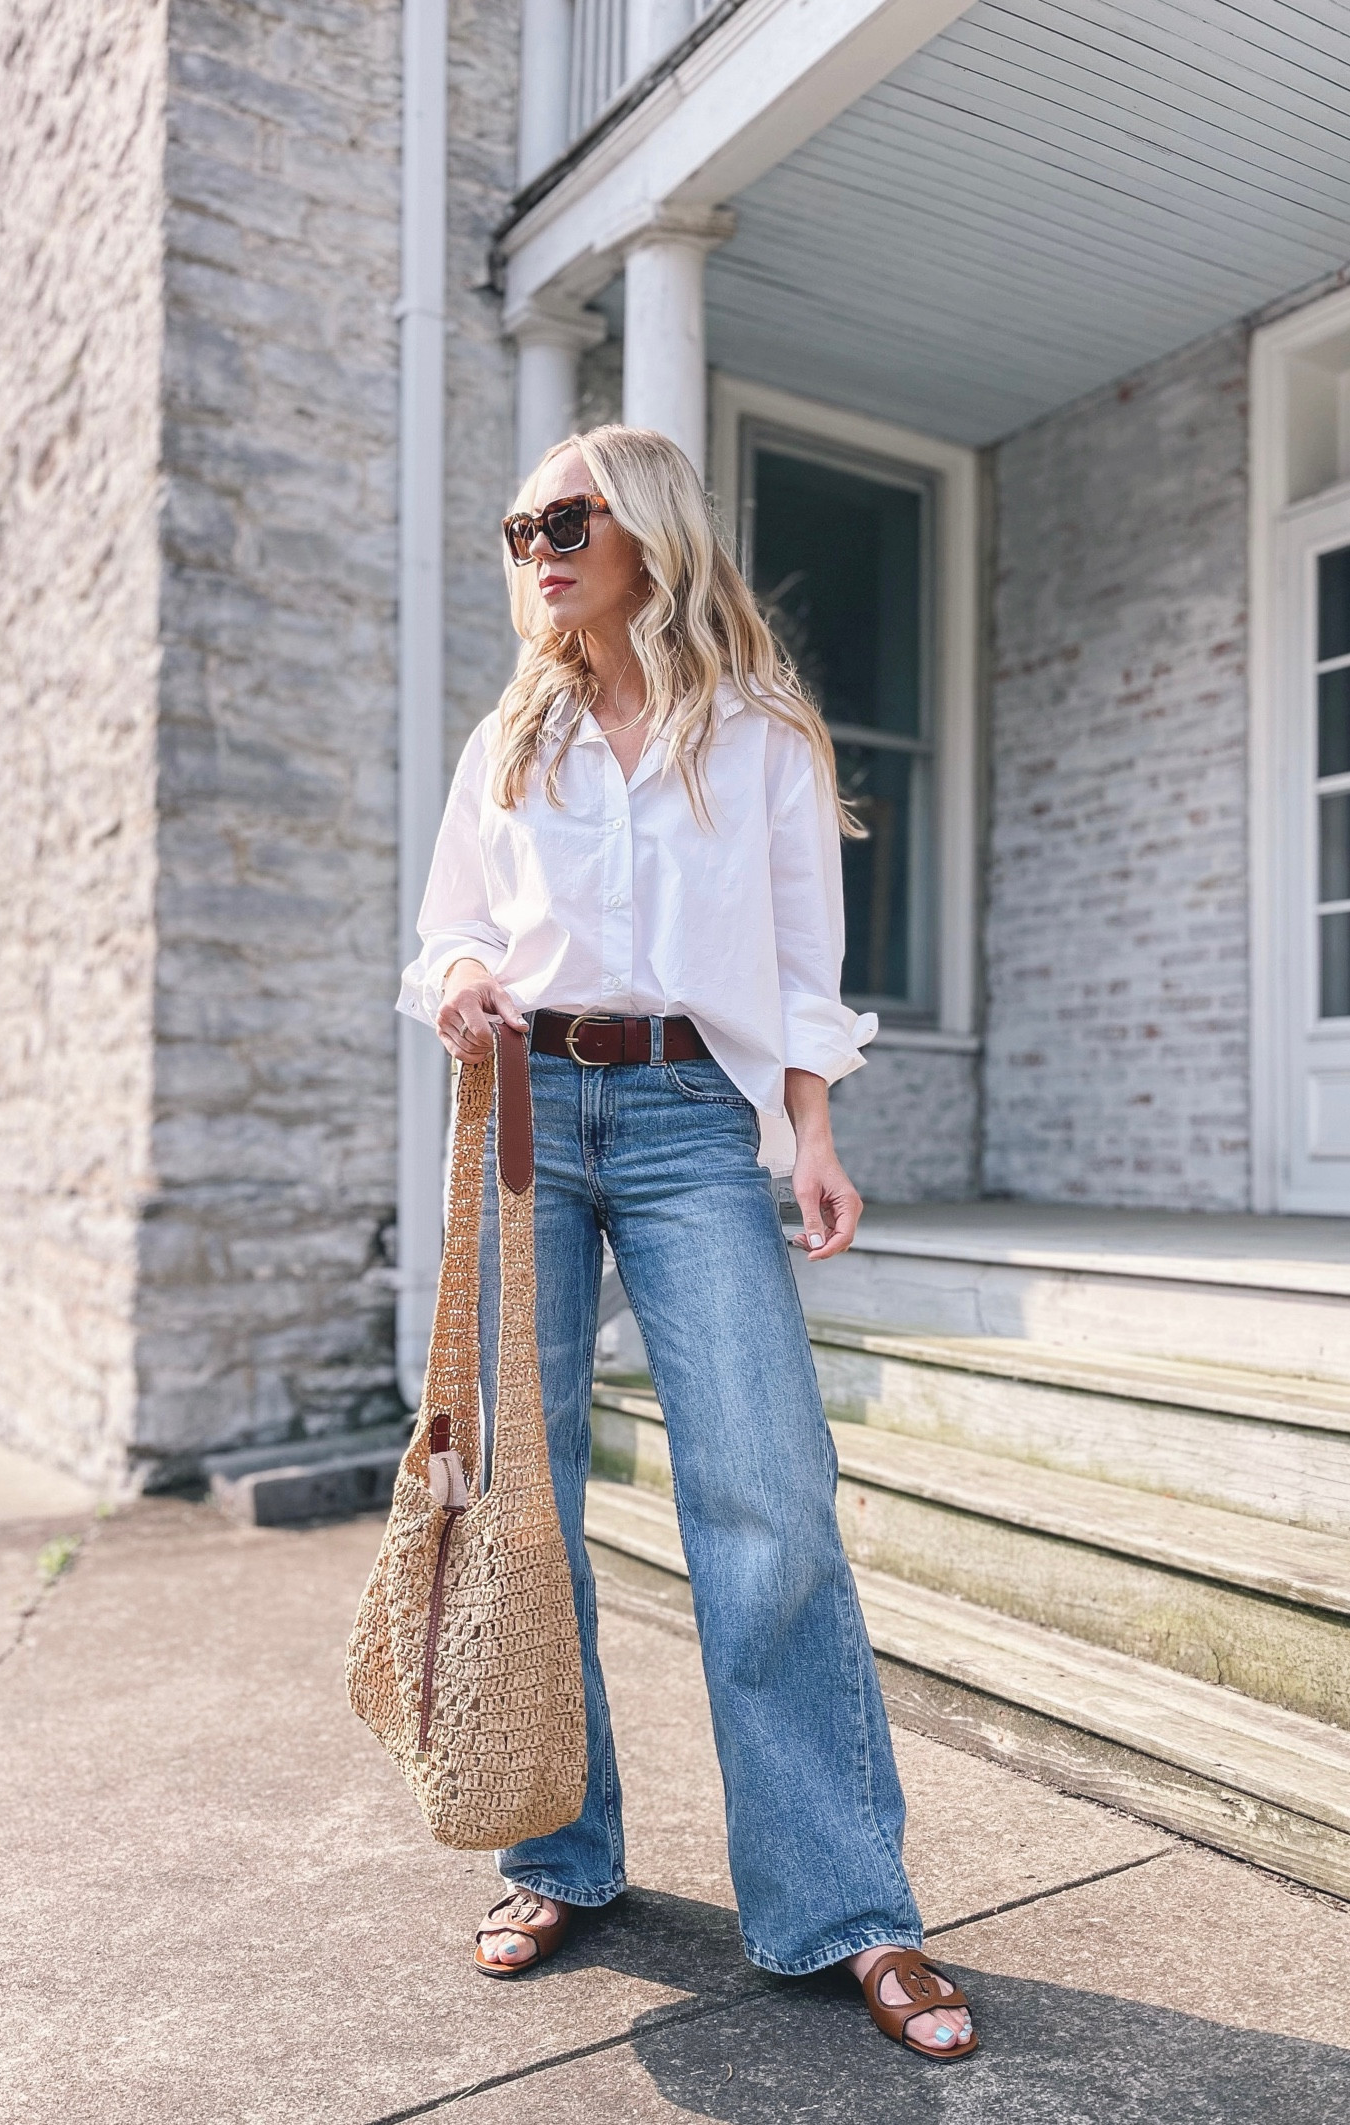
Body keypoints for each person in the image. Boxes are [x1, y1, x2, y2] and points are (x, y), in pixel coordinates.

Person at [397, 424, 977, 2062]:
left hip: (681, 1126)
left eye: (565, 518)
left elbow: (802, 963)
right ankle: (556, 1854)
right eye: (519, 527)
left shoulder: (762, 734)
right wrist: (456, 984)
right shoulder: (512, 736)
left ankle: (847, 1905)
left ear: (645, 527)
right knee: (523, 1499)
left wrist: (810, 1129)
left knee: (768, 1503)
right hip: (519, 1121)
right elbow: (449, 921)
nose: (539, 548)